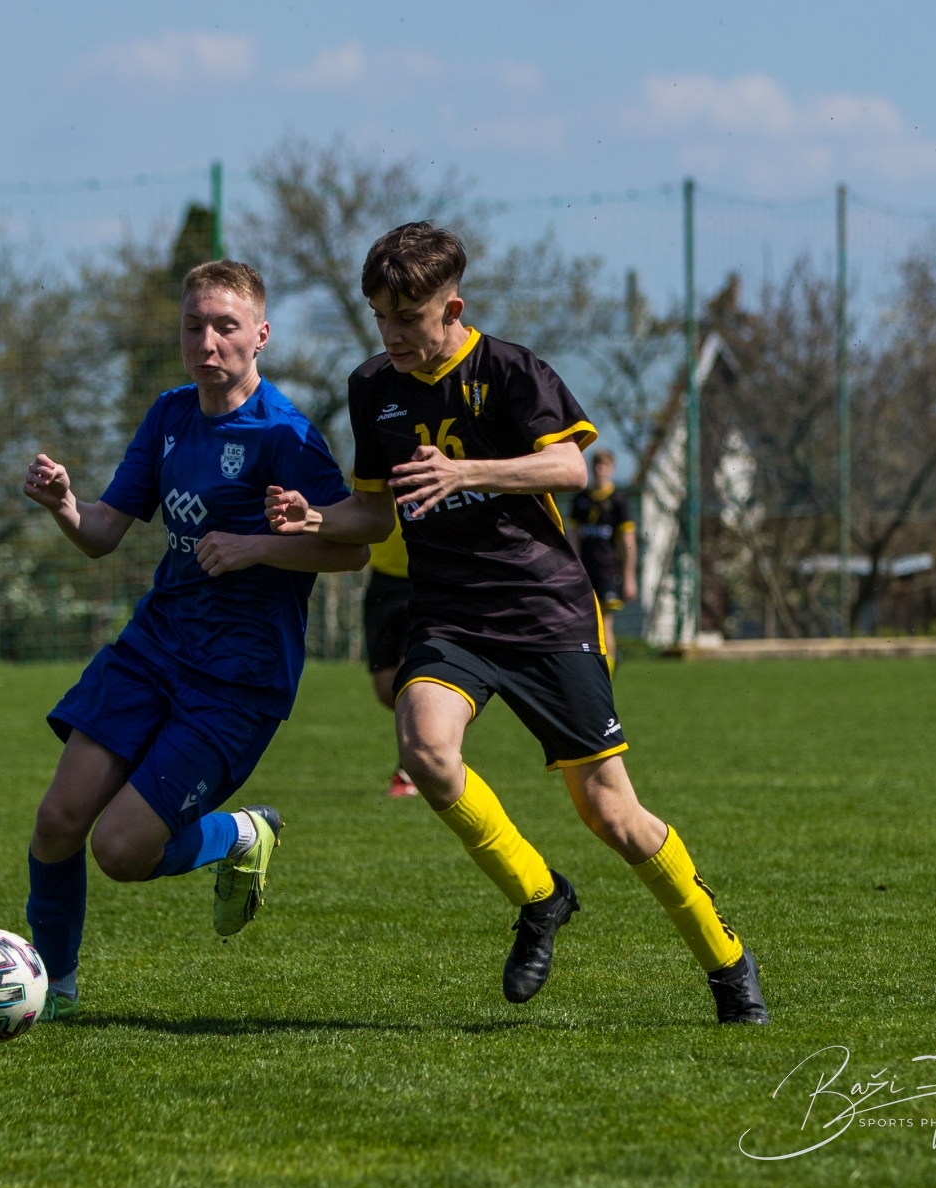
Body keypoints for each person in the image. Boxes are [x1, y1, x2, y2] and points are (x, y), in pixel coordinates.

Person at [267, 223, 767, 1024]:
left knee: (612, 815)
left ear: (452, 308)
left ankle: (727, 961)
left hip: (544, 611)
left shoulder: (509, 371)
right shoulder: (373, 388)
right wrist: (314, 517)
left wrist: (466, 470)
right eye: (380, 318)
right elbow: (373, 513)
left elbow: (569, 465)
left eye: (408, 318)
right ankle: (540, 896)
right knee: (424, 748)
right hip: (450, 616)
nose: (392, 334)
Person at [21, 260, 366, 1019]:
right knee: (57, 822)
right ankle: (52, 990)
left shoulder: (285, 435)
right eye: (193, 326)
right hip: (154, 649)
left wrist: (254, 547)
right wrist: (64, 504)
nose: (207, 342)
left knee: (120, 851)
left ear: (260, 335)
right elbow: (102, 534)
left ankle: (240, 834)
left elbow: (353, 550)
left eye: (225, 326)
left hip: (238, 680)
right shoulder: (170, 415)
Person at [364, 515, 418, 796]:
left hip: (429, 576)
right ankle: (439, 728)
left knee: (414, 681)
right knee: (387, 689)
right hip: (383, 578)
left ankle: (412, 770)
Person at [570, 448, 636, 675]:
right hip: (585, 571)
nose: (600, 470)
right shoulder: (581, 499)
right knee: (586, 621)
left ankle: (607, 670)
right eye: (597, 465)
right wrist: (573, 567)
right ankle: (596, 667)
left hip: (608, 571)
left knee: (605, 620)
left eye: (604, 465)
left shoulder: (618, 500)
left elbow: (628, 541)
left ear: (611, 469)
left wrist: (629, 576)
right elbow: (574, 536)